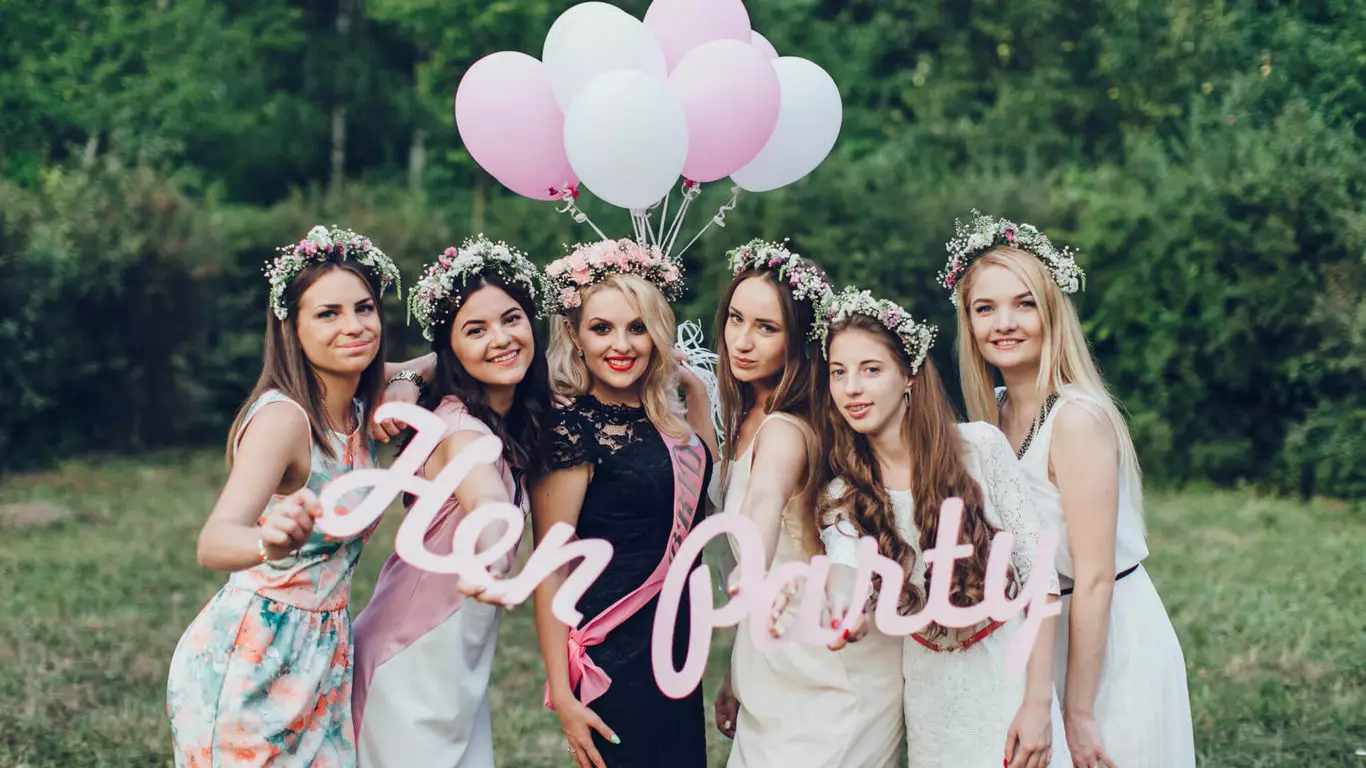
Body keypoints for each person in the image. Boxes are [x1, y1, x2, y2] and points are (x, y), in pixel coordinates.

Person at [946, 211, 1195, 768]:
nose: (1003, 322)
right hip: (1040, 638)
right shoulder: (995, 416)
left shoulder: (1076, 419)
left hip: (1106, 647)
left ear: (1052, 313)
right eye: (985, 308)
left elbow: (1098, 578)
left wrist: (1078, 710)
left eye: (1023, 303)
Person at [166, 225, 400, 768]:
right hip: (252, 658)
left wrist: (406, 382)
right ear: (291, 329)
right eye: (328, 314)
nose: (354, 326)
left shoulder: (359, 405)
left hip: (325, 655)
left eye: (364, 308)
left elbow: (441, 363)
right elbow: (213, 542)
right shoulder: (283, 419)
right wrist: (267, 541)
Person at [812, 288, 1067, 768]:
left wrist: (1037, 704)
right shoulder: (841, 495)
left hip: (1006, 672)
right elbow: (844, 570)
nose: (852, 389)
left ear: (908, 375)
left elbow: (1041, 581)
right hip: (930, 690)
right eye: (838, 372)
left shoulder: (979, 448)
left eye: (871, 370)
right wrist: (842, 607)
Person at [351, 237, 551, 767]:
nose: (502, 339)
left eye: (511, 319)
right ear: (452, 349)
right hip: (407, 661)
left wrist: (412, 373)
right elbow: (486, 500)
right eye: (476, 330)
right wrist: (493, 551)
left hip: (455, 666)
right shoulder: (460, 431)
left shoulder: (512, 417)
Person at [707, 240, 904, 768]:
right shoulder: (745, 413)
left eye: (766, 328)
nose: (742, 341)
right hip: (772, 665)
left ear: (799, 341)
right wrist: (737, 670)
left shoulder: (788, 428)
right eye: (735, 319)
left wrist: (747, 569)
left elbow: (765, 501)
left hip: (830, 673)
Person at [531, 239, 715, 768]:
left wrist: (694, 391)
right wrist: (563, 695)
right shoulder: (571, 431)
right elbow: (549, 570)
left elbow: (706, 485)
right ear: (575, 336)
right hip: (613, 651)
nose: (623, 344)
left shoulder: (672, 424)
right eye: (602, 328)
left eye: (638, 327)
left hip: (676, 646)